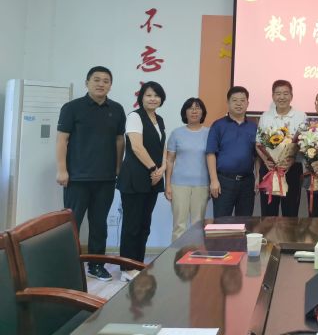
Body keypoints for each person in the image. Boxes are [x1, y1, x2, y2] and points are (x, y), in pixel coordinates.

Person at [56, 66, 126, 282]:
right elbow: (62, 140)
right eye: (96, 79)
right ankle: (67, 267)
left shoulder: (117, 109)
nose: (101, 84)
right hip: (77, 178)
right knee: (71, 224)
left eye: (106, 81)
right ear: (87, 82)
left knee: (99, 224)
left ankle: (96, 265)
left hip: (105, 178)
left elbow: (119, 140)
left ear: (110, 85)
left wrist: (118, 167)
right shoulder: (72, 108)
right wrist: (61, 169)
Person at [117, 81, 167, 281]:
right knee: (132, 225)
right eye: (148, 95)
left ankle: (137, 264)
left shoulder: (159, 119)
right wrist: (154, 169)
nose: (153, 99)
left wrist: (162, 169)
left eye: (156, 95)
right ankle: (126, 269)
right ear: (141, 97)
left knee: (145, 224)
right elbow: (137, 147)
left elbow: (161, 147)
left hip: (153, 178)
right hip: (135, 177)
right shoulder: (134, 117)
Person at [256, 80, 306, 217]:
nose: (282, 97)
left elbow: (304, 144)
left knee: (290, 213)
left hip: (292, 169)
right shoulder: (265, 116)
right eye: (278, 94)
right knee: (268, 213)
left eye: (285, 93)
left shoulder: (301, 116)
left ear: (291, 96)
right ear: (273, 96)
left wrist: (291, 160)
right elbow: (258, 143)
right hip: (269, 169)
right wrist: (266, 161)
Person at [206, 86, 257, 217]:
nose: (239, 104)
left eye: (242, 100)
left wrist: (257, 178)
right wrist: (214, 180)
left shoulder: (254, 127)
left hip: (247, 182)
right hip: (224, 181)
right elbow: (211, 153)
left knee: (245, 222)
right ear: (228, 103)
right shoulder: (218, 125)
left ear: (248, 103)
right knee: (221, 223)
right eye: (234, 100)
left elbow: (257, 156)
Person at [165, 97, 210, 241]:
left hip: (202, 185)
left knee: (198, 225)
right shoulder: (176, 133)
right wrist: (167, 185)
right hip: (178, 185)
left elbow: (212, 159)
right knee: (179, 225)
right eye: (190, 108)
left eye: (197, 108)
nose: (194, 111)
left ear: (202, 112)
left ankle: (196, 254)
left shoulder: (209, 133)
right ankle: (177, 254)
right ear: (185, 112)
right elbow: (169, 160)